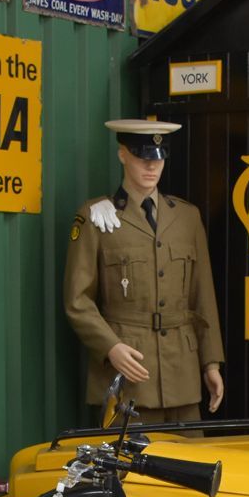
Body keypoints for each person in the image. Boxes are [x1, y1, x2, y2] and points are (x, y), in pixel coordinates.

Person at [64, 119, 224, 424]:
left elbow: (203, 296)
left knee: (190, 464)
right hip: (128, 378)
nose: (152, 166)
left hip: (183, 378)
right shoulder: (97, 218)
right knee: (127, 468)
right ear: (122, 154)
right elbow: (77, 300)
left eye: (159, 158)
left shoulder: (187, 217)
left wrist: (210, 363)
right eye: (142, 157)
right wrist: (110, 347)